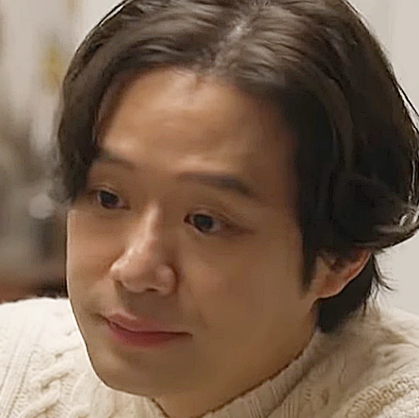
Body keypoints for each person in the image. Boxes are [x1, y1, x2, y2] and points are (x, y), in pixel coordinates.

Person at [1, 0, 419, 417]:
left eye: (205, 222)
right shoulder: (14, 363)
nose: (135, 270)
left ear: (340, 257)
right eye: (108, 198)